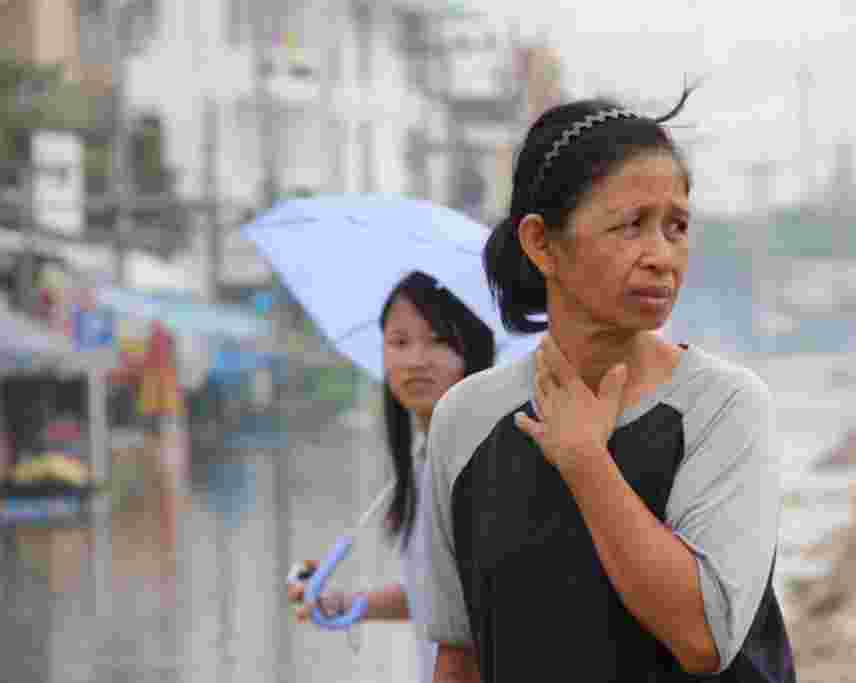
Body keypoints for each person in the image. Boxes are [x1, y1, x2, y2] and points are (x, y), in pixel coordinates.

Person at [418, 86, 796, 682]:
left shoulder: (722, 406)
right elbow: (459, 657)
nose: (661, 256)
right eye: (631, 226)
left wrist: (586, 462)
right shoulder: (466, 418)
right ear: (542, 243)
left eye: (676, 227)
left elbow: (704, 637)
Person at [287, 270, 496, 683]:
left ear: (472, 350)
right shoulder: (424, 459)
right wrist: (345, 602)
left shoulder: (483, 466)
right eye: (399, 342)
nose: (416, 360)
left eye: (438, 340)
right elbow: (436, 597)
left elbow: (481, 614)